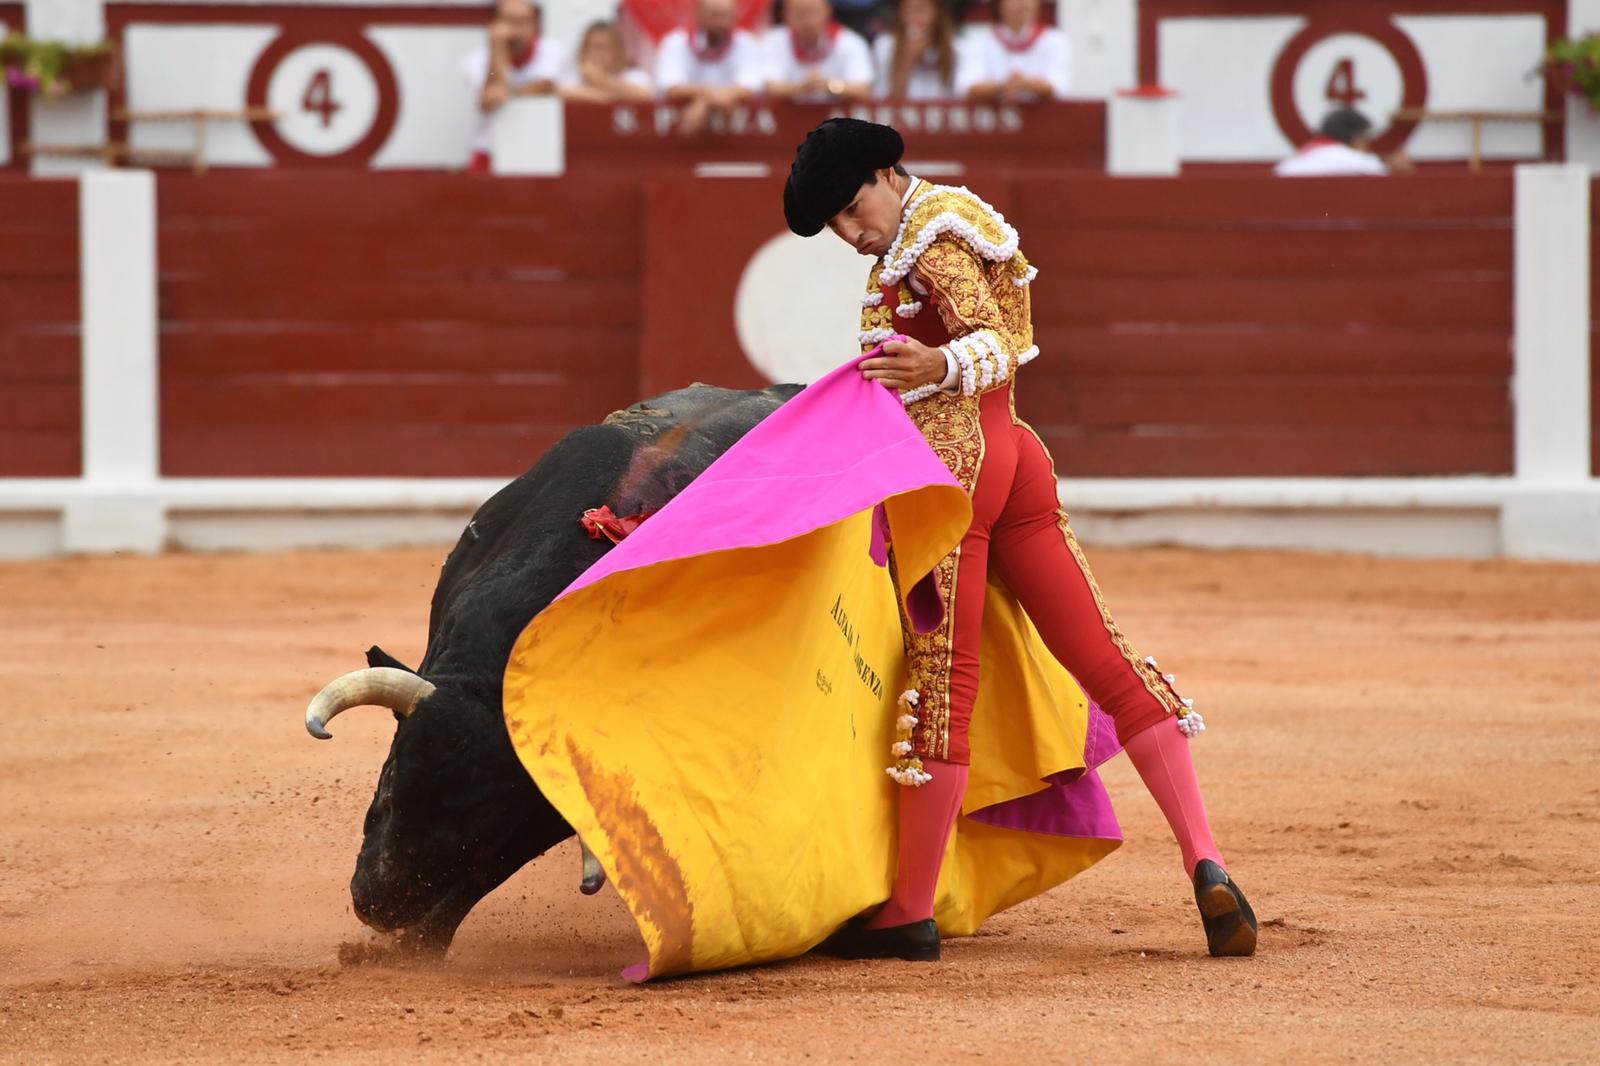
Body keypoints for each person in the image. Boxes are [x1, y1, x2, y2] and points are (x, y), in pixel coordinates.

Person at [784, 118, 1258, 961]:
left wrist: (936, 369)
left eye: (855, 209)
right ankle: (1207, 861)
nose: (854, 234)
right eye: (839, 229)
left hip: (955, 475)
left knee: (942, 684)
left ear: (890, 174)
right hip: (1015, 457)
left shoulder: (927, 242)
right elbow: (1007, 340)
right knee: (1109, 662)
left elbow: (992, 339)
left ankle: (907, 913)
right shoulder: (952, 217)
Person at [463, 0, 571, 172]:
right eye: (509, 21)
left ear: (535, 24)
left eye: (523, 22)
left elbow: (544, 86)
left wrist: (508, 94)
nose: (516, 30)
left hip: (539, 152)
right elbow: (491, 95)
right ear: (495, 24)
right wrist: (497, 49)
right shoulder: (477, 60)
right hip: (491, 154)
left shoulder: (553, 50)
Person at [655, 0, 769, 135]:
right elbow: (671, 87)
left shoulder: (746, 42)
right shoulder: (675, 41)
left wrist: (705, 102)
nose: (722, 22)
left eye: (726, 16)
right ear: (699, 14)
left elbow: (750, 86)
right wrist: (714, 97)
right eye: (715, 15)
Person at [762, 0, 875, 103]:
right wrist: (801, 88)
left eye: (812, 12)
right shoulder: (773, 41)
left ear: (828, 11)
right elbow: (769, 87)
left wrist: (830, 86)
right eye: (799, 13)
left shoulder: (851, 43)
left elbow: (864, 89)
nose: (806, 20)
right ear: (784, 14)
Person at [957, 0, 1069, 102]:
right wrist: (1003, 86)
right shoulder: (979, 43)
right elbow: (965, 87)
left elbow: (1059, 87)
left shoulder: (1054, 41)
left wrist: (1025, 84)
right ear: (999, 5)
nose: (1024, 3)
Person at [872, 0, 959, 100]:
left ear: (937, 12)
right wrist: (909, 58)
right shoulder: (885, 44)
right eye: (908, 10)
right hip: (902, 112)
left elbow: (958, 92)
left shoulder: (956, 45)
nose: (915, 17)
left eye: (921, 9)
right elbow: (887, 97)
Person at [1275, 108, 1391, 177]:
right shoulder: (1347, 157)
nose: (1367, 143)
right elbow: (1379, 171)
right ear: (1355, 137)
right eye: (1364, 137)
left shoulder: (1295, 160)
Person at [561, 20, 654, 104]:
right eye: (595, 47)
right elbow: (563, 92)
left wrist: (600, 81)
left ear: (618, 50)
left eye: (605, 48)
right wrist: (620, 94)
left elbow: (646, 95)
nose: (599, 54)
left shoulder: (634, 76)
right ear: (584, 49)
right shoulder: (573, 76)